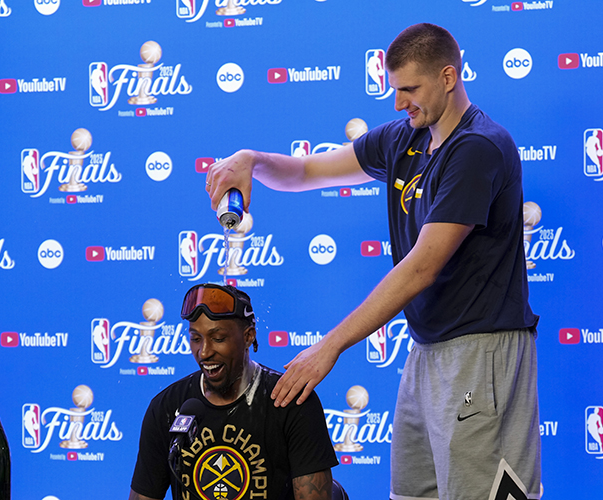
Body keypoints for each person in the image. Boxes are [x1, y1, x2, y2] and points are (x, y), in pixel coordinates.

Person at [205, 23, 541, 500]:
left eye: (409, 90)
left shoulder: (478, 148)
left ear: (449, 77)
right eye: (395, 90)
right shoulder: (404, 138)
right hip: (426, 351)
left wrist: (331, 346)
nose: (399, 103)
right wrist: (251, 159)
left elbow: (423, 266)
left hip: (479, 354)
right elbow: (306, 171)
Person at [129, 283, 338, 500]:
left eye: (218, 338)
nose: (204, 352)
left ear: (248, 337)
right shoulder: (167, 407)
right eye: (195, 338)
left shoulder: (290, 402)